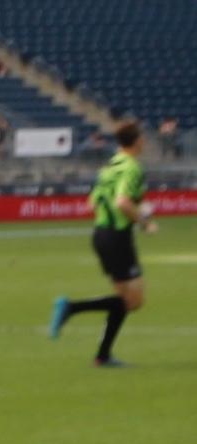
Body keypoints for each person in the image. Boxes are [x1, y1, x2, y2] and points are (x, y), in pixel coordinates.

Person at [50, 118, 155, 367]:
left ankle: (103, 355)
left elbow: (93, 202)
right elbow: (122, 202)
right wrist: (144, 221)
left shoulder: (108, 167)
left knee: (123, 300)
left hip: (101, 234)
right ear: (138, 141)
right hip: (118, 237)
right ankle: (71, 308)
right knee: (134, 301)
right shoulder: (131, 168)